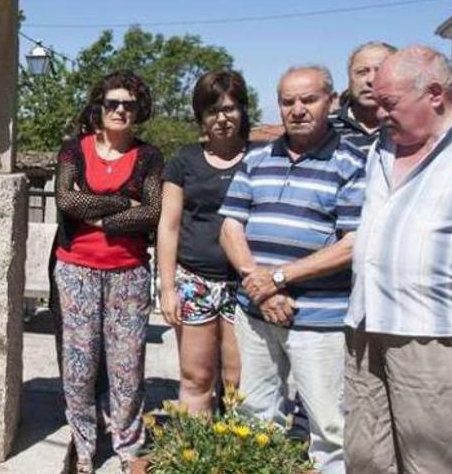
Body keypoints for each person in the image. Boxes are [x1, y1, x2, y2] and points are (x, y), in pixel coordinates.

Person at [345, 46, 452, 473]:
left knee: (440, 466)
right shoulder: (381, 146)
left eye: (389, 104)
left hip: (439, 338)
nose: (379, 115)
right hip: (366, 328)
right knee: (367, 459)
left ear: (434, 94)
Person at [218, 65, 366, 473]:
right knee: (252, 415)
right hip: (256, 311)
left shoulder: (351, 163)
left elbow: (352, 243)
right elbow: (231, 226)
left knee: (328, 426)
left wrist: (280, 277)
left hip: (319, 319)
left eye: (308, 100)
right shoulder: (258, 157)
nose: (297, 110)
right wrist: (260, 284)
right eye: (288, 102)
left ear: (331, 102)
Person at [52, 71, 163, 473]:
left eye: (128, 105)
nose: (120, 110)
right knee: (80, 364)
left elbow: (152, 211)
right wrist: (121, 202)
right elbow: (65, 200)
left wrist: (100, 217)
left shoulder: (149, 156)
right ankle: (83, 444)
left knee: (127, 366)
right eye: (112, 103)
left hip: (128, 273)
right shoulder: (74, 151)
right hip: (77, 269)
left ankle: (127, 446)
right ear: (99, 107)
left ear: (138, 111)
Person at [156, 69, 251, 414]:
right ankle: (194, 456)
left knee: (238, 380)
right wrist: (167, 287)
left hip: (243, 285)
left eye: (229, 109)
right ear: (201, 116)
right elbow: (169, 226)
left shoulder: (262, 158)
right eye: (213, 111)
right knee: (196, 376)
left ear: (242, 110)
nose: (222, 118)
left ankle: (236, 460)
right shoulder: (184, 161)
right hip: (194, 281)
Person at [331, 41, 396, 154]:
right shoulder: (325, 128)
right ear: (349, 78)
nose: (370, 80)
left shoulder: (411, 128)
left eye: (380, 71)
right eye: (362, 72)